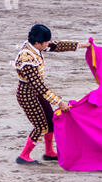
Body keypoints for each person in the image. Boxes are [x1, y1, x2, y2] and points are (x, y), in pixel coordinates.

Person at [14, 24, 90, 165]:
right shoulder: (27, 59)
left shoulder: (34, 47)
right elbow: (39, 86)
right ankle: (24, 156)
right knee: (41, 126)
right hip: (27, 95)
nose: (48, 44)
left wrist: (81, 45)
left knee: (50, 120)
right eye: (46, 42)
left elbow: (56, 46)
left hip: (35, 92)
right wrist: (59, 102)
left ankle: (49, 153)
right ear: (38, 43)